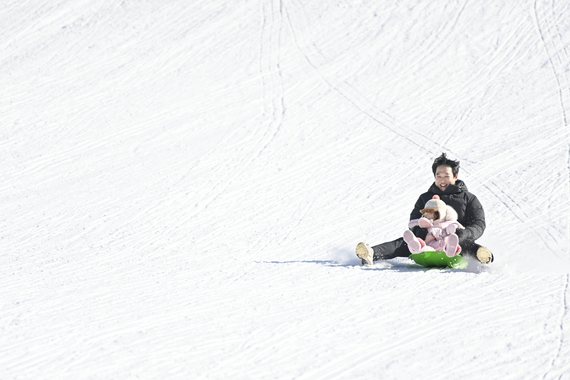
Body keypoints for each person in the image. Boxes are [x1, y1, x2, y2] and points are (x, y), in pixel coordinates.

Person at [356, 153, 493, 265]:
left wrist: (464, 233)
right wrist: (421, 231)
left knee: (466, 245)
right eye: (438, 176)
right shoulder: (425, 198)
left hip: (454, 240)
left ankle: (483, 256)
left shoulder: (469, 198)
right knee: (403, 243)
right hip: (427, 241)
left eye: (446, 176)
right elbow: (415, 219)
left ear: (455, 176)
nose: (442, 180)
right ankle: (370, 253)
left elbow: (479, 223)